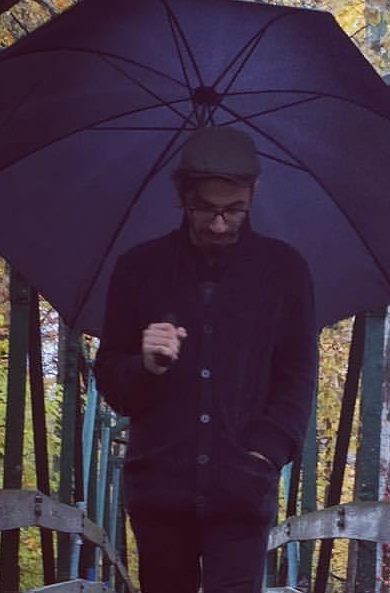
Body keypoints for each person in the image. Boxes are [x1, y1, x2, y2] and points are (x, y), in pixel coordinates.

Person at [94, 126, 318, 593]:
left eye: (233, 209)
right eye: (205, 209)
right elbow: (113, 383)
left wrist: (265, 454)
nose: (219, 224)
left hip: (243, 493)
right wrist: (145, 366)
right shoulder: (139, 269)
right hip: (159, 495)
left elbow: (298, 378)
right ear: (183, 197)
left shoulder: (284, 271)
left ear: (253, 193)